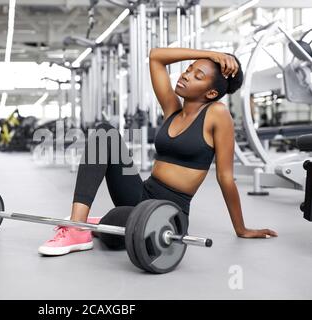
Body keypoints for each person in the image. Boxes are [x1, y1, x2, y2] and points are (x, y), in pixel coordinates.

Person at [38, 47, 278, 256]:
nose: (186, 74)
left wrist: (241, 229)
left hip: (167, 213)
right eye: (189, 68)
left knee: (113, 226)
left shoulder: (217, 113)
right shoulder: (173, 109)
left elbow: (225, 178)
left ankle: (91, 225)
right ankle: (78, 226)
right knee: (104, 132)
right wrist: (209, 54)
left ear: (211, 93)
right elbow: (156, 57)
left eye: (198, 75)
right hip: (141, 193)